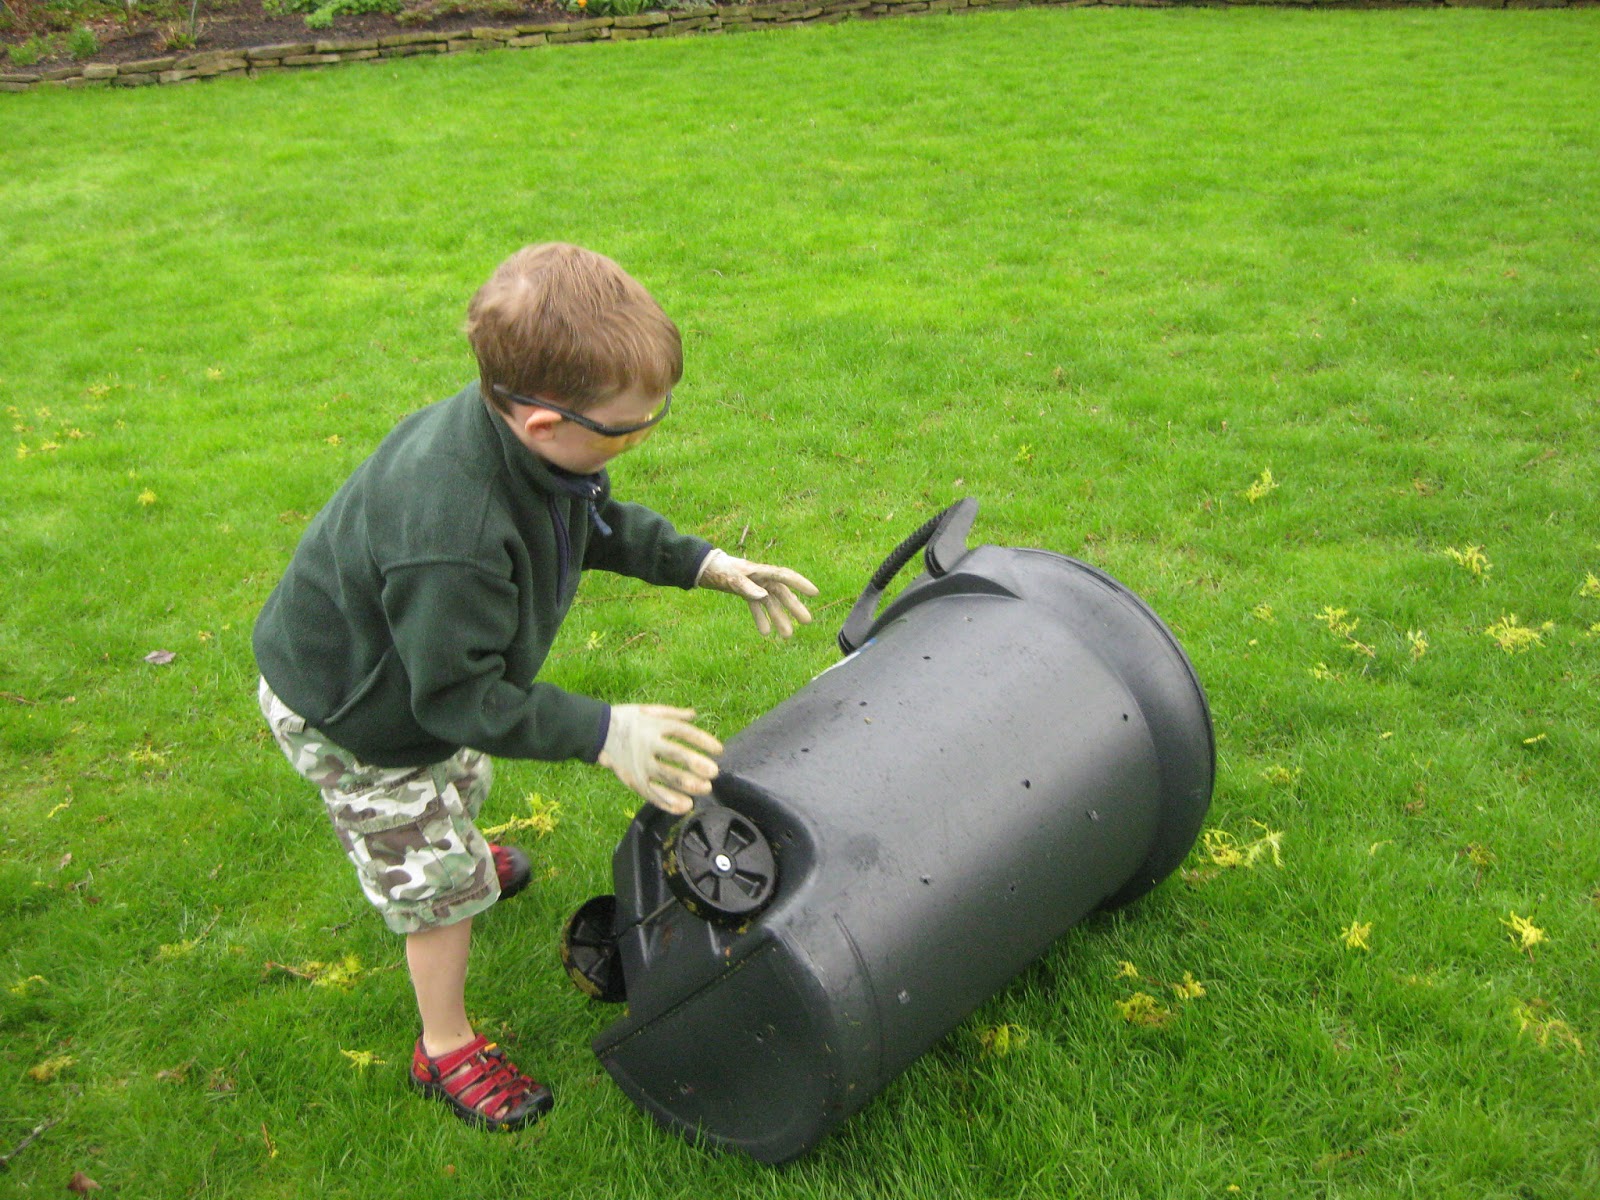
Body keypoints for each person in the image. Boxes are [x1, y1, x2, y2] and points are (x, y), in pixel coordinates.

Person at [251, 242, 818, 1133]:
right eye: (629, 427)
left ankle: (457, 844)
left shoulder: (534, 453)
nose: (640, 438)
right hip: (359, 714)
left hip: (426, 677)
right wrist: (605, 730)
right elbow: (456, 701)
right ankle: (444, 1047)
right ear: (545, 422)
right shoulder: (456, 534)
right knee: (439, 891)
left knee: (463, 777)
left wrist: (702, 563)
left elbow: (592, 520)